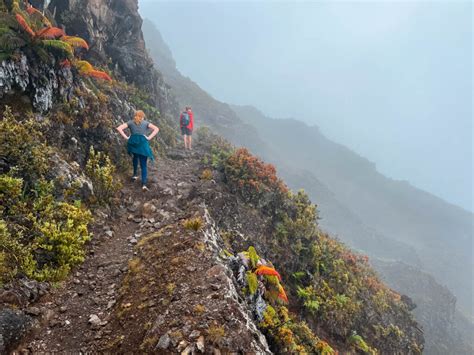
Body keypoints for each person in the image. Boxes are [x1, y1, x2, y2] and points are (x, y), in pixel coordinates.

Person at [116, 110, 159, 191]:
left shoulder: (130, 122)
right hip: (143, 145)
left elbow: (119, 128)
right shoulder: (146, 123)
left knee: (135, 157)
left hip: (133, 144)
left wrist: (127, 137)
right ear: (142, 116)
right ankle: (144, 184)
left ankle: (135, 175)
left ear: (135, 115)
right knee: (143, 165)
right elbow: (156, 129)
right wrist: (149, 137)